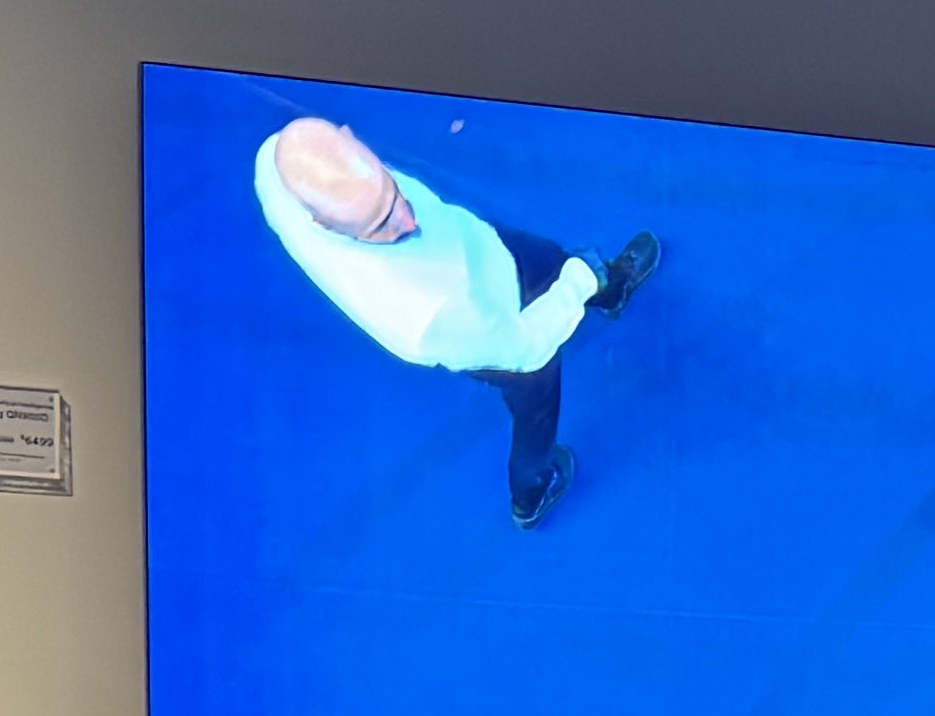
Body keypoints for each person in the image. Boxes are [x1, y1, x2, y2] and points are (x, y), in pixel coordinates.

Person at [251, 115, 660, 526]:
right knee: (536, 401)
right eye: (379, 225)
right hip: (481, 322)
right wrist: (578, 281)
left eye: (392, 194)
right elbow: (526, 349)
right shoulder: (433, 314)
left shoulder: (276, 162)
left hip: (477, 248)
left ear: (349, 138)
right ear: (323, 223)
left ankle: (608, 289)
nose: (408, 222)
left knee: (549, 259)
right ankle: (531, 491)